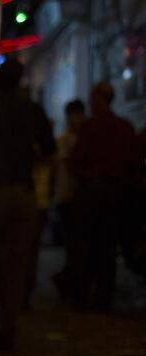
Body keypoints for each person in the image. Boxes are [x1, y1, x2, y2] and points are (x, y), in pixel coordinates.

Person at [0, 57, 56, 352]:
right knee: (16, 264)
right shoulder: (32, 109)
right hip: (24, 193)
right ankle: (9, 327)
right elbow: (50, 150)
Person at [69, 82, 139, 310]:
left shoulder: (91, 128)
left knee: (85, 244)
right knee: (107, 246)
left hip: (92, 192)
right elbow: (133, 162)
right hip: (115, 193)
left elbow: (77, 160)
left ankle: (83, 294)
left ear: (98, 100)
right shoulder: (123, 127)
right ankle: (103, 297)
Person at [51, 99, 86, 301]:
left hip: (73, 196)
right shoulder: (64, 140)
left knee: (76, 244)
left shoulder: (82, 138)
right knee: (72, 243)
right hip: (66, 196)